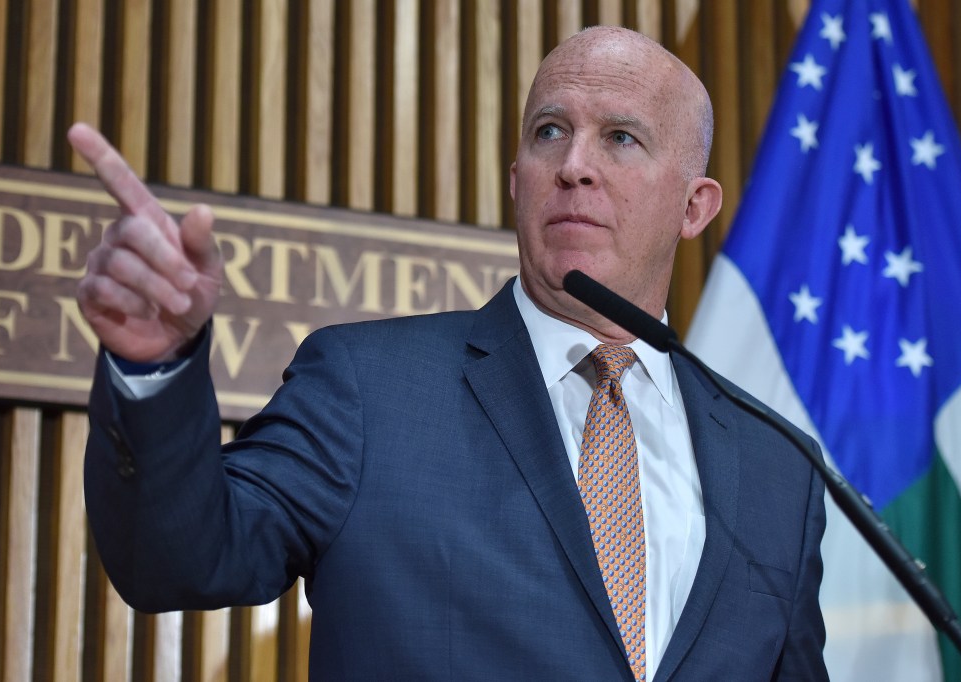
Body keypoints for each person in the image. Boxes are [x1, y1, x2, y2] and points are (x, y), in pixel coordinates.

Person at [73, 26, 828, 680]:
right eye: (549, 132)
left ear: (694, 206)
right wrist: (154, 370)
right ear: (516, 183)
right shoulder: (367, 389)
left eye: (620, 138)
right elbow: (175, 557)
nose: (573, 165)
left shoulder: (778, 468)